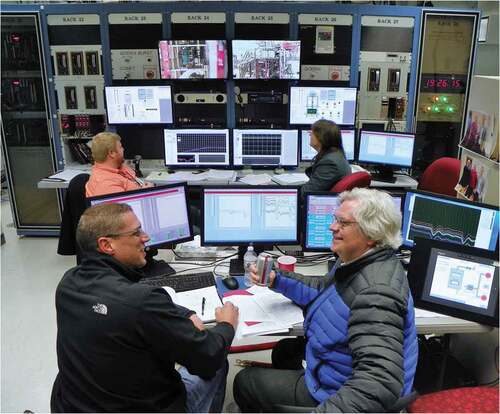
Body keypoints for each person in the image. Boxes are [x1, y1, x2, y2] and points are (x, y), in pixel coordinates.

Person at [233, 188, 418, 413]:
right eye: (335, 219)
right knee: (284, 351)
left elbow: (379, 381)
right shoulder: (359, 259)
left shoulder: (376, 292)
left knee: (245, 381)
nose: (332, 227)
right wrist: (277, 279)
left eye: (343, 222)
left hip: (337, 391)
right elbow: (325, 292)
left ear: (371, 234)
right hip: (336, 369)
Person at [51, 203, 239, 412]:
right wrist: (226, 325)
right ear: (107, 245)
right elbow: (208, 357)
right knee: (218, 361)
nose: (146, 237)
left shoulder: (68, 283)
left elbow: (126, 307)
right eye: (136, 232)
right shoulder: (141, 302)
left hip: (74, 406)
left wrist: (186, 313)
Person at [86, 131, 153, 197]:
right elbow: (125, 207)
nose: (123, 149)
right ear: (112, 153)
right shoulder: (107, 185)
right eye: (120, 147)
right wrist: (145, 193)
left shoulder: (118, 166)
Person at [302, 119, 351, 195]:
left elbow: (306, 193)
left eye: (312, 133)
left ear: (321, 137)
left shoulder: (329, 163)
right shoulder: (336, 154)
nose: (310, 135)